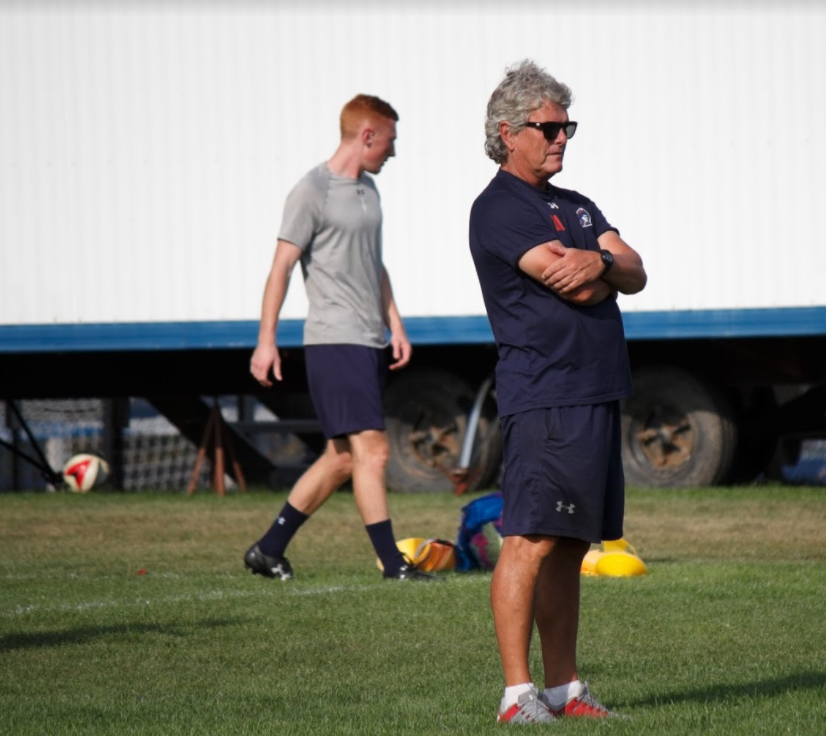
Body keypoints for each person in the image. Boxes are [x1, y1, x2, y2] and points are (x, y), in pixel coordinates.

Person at [469, 60, 647, 723]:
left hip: (596, 390)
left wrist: (600, 259)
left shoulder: (575, 205)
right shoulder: (497, 209)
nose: (561, 138)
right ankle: (517, 695)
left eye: (567, 126)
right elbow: (570, 284)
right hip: (545, 395)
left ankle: (563, 688)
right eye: (548, 127)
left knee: (571, 546)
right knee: (531, 540)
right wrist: (598, 269)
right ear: (507, 131)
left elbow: (632, 269)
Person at [244, 94, 431, 582]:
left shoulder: (370, 190)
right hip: (334, 339)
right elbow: (281, 267)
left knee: (342, 458)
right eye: (389, 141)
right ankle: (394, 565)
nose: (392, 151)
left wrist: (395, 322)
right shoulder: (312, 191)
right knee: (374, 451)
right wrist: (267, 340)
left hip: (368, 338)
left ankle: (268, 549)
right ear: (367, 134)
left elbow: (375, 262)